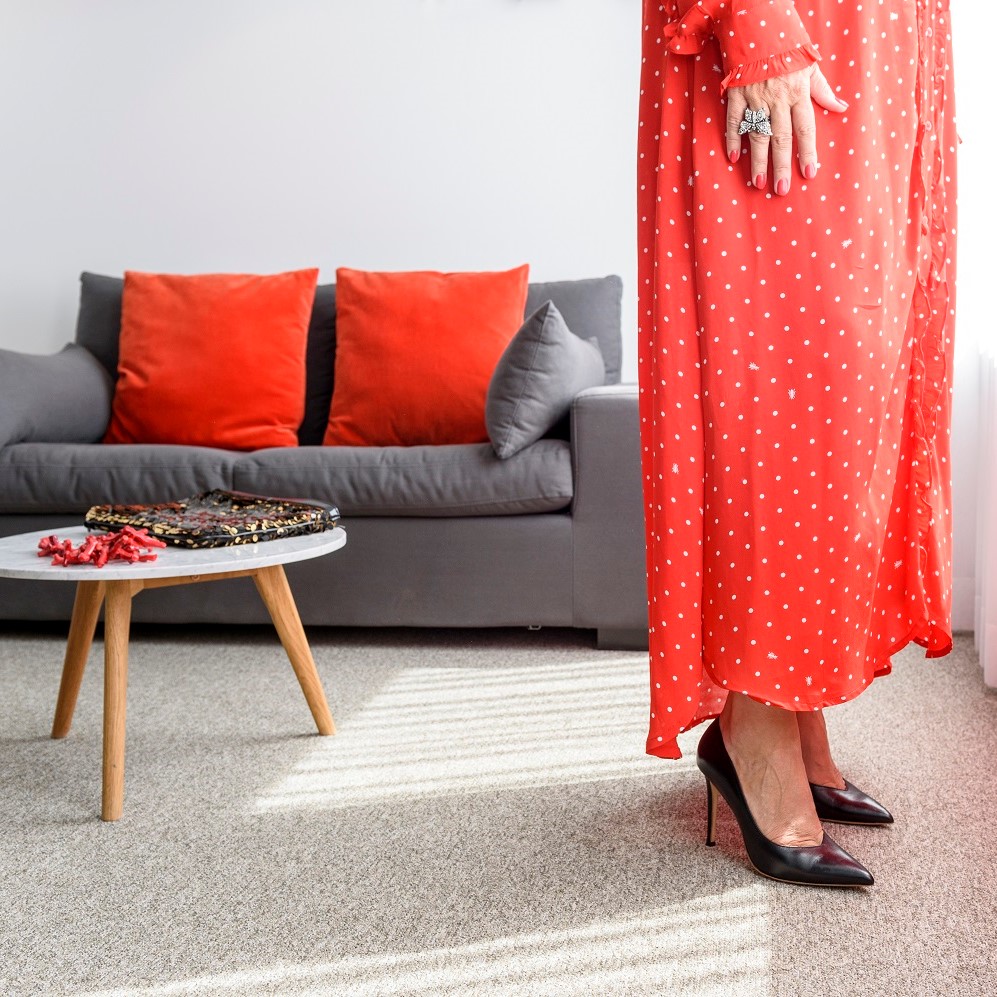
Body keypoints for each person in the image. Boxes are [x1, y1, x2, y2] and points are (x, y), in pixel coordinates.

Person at [636, 0, 958, 886]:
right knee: (781, 388)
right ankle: (754, 722)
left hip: (876, 57)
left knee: (851, 407)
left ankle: (791, 710)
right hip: (784, 41)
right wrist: (753, 25)